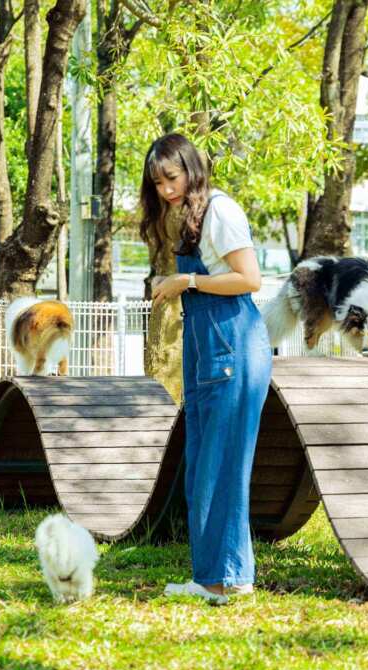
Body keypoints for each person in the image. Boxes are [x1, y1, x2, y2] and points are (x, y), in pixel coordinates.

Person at [141, 132, 272, 604]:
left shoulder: (221, 209)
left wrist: (187, 280)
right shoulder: (191, 215)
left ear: (191, 170)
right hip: (207, 345)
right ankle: (223, 576)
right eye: (157, 183)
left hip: (232, 344)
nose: (166, 190)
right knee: (204, 463)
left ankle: (222, 579)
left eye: (172, 178)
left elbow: (249, 279)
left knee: (220, 465)